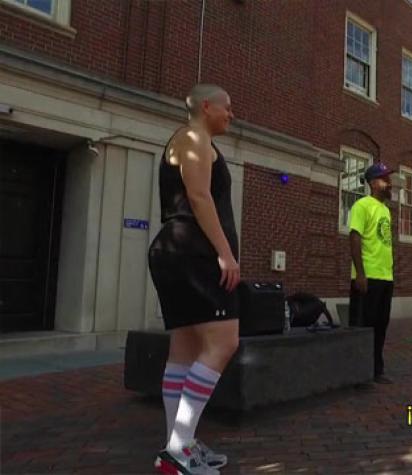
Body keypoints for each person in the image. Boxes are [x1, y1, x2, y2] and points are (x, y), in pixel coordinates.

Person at [148, 84, 240, 474]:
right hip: (192, 253)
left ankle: (176, 448)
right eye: (227, 107)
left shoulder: (196, 139)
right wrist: (225, 253)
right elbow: (199, 197)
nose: (231, 114)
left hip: (178, 252)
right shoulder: (192, 137)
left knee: (185, 351)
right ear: (206, 106)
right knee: (223, 342)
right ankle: (180, 445)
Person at [348, 162, 395, 385]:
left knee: (380, 326)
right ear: (374, 183)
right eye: (386, 179)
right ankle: (359, 373)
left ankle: (377, 369)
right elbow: (355, 238)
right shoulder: (362, 205)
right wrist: (360, 274)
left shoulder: (385, 210)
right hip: (368, 277)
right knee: (363, 327)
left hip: (386, 278)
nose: (390, 183)